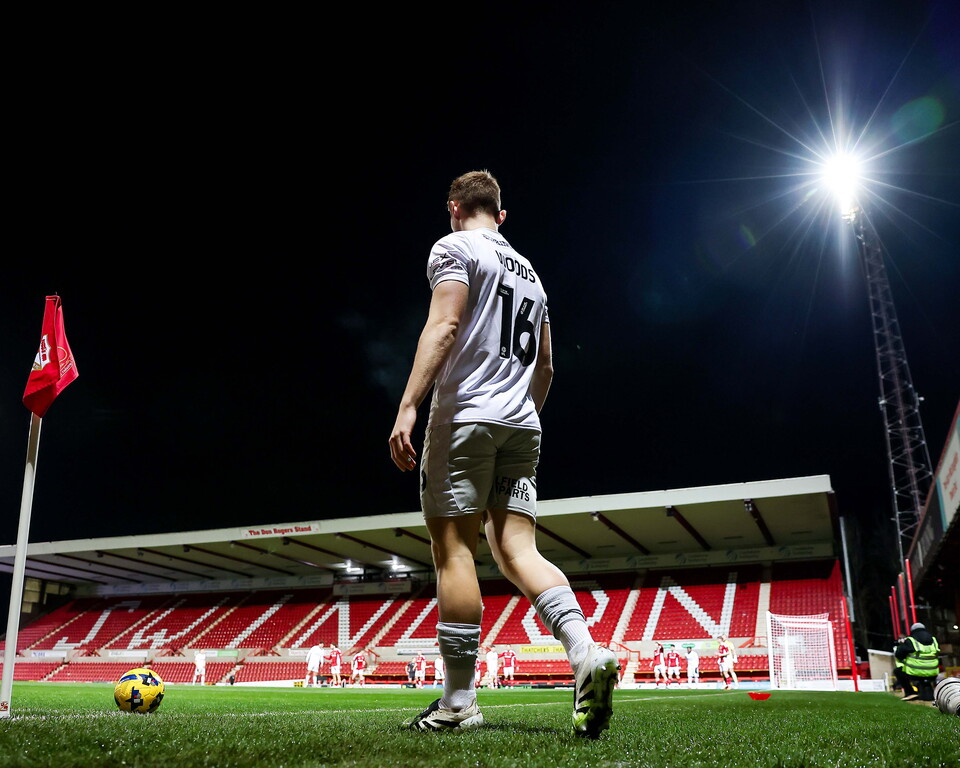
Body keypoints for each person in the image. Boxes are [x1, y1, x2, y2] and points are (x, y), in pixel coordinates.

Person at [389, 170, 619, 736]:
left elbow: (444, 325)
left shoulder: (455, 248)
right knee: (518, 548)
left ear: (453, 207)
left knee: (454, 552)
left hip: (465, 416)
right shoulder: (533, 276)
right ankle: (585, 652)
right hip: (522, 424)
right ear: (502, 215)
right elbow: (547, 367)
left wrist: (408, 406)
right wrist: (521, 416)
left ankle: (458, 702)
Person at [895, 622, 941, 702]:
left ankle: (910, 692)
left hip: (915, 673)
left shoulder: (911, 640)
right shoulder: (933, 639)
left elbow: (899, 654)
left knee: (898, 671)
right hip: (932, 672)